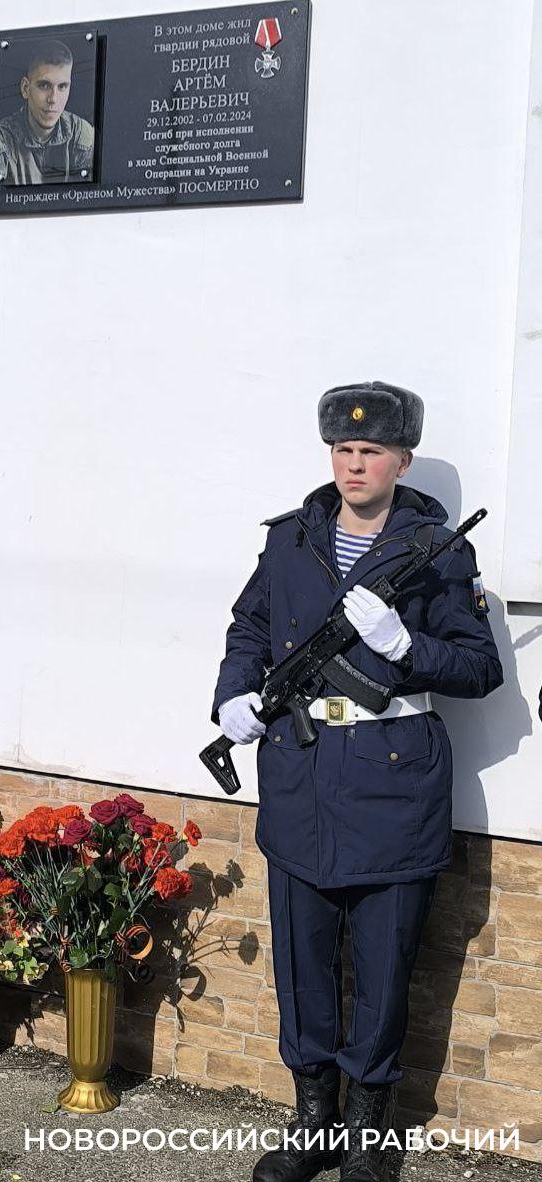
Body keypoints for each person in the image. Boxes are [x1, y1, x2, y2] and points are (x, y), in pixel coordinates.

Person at [211, 381, 502, 1182]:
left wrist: (407, 644)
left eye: (371, 451)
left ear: (401, 460)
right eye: (343, 449)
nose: (354, 464)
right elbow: (251, 626)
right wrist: (234, 694)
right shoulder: (289, 540)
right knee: (303, 965)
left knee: (381, 968)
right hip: (301, 776)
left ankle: (370, 1131)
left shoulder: (439, 549)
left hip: (392, 783)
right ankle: (315, 1122)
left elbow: (480, 667)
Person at [0, 38, 95, 185]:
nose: (53, 99)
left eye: (62, 87)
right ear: (25, 88)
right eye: (44, 85)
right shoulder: (2, 140)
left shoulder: (81, 134)